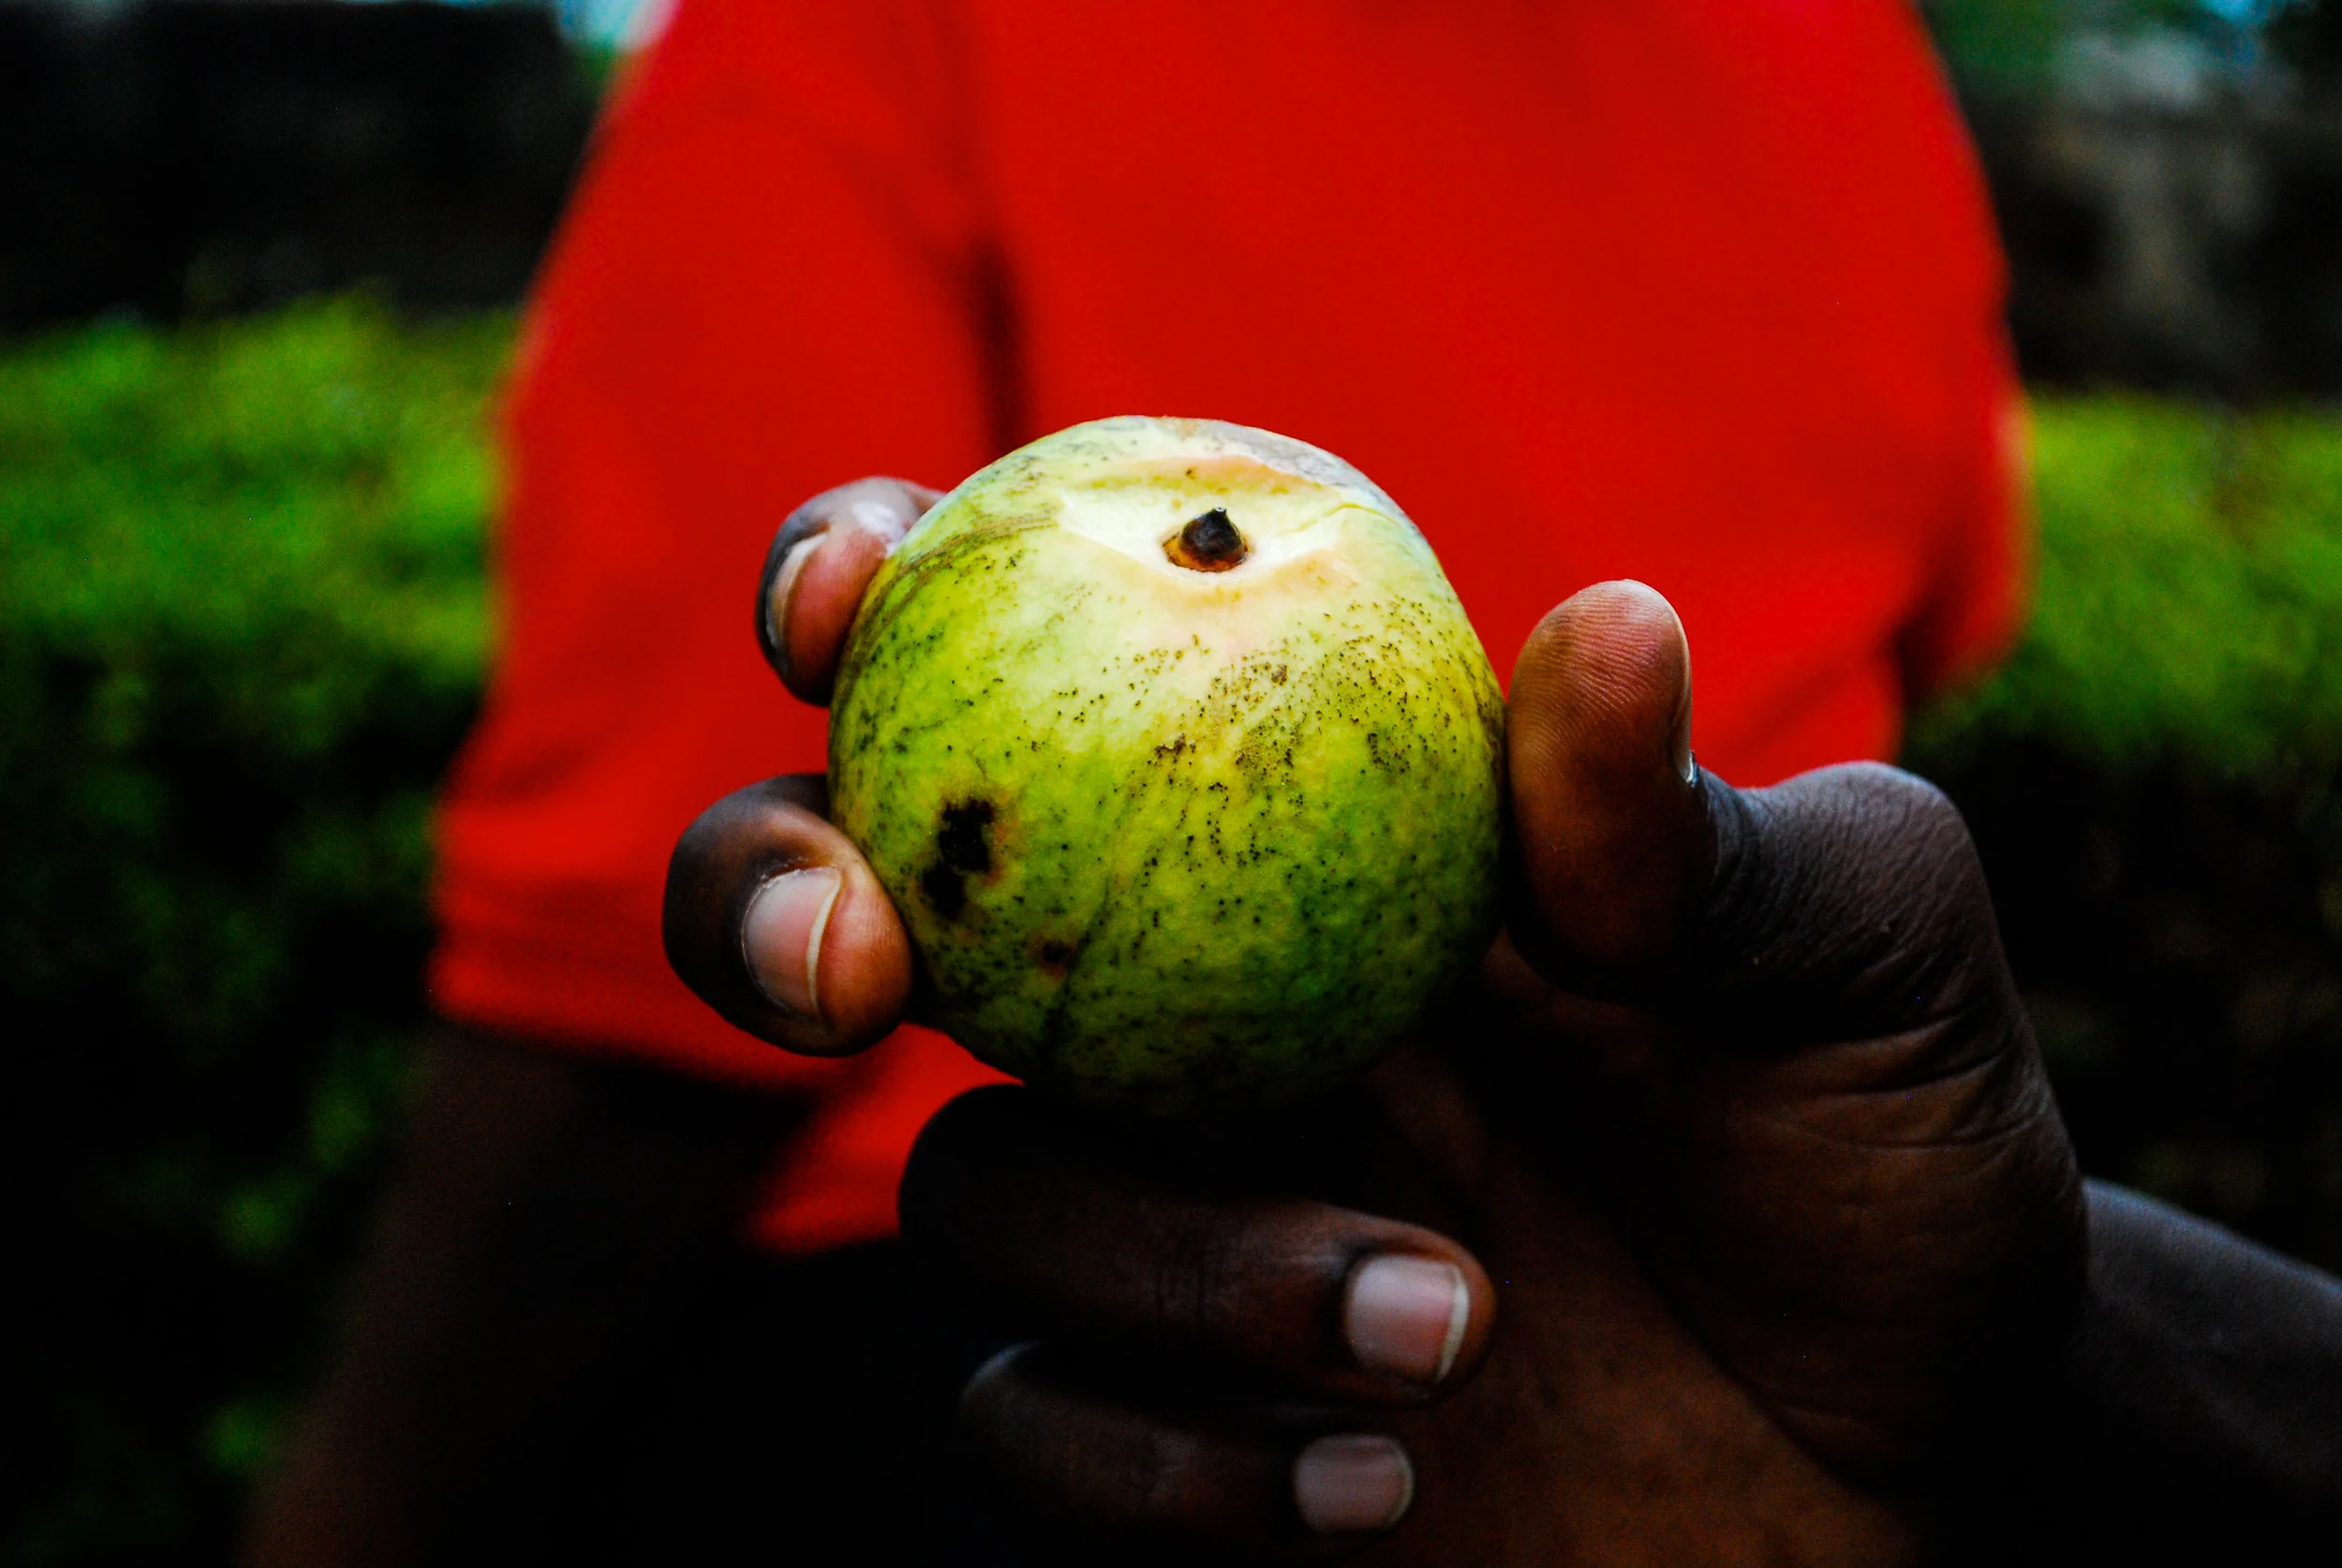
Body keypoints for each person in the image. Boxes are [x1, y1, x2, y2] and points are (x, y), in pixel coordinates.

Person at [237, 0, 2342, 1562]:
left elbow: (618, 1021)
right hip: (1649, 1329)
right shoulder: (1844, 58)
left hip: (976, 1379)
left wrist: (338, 1520)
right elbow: (1945, 605)